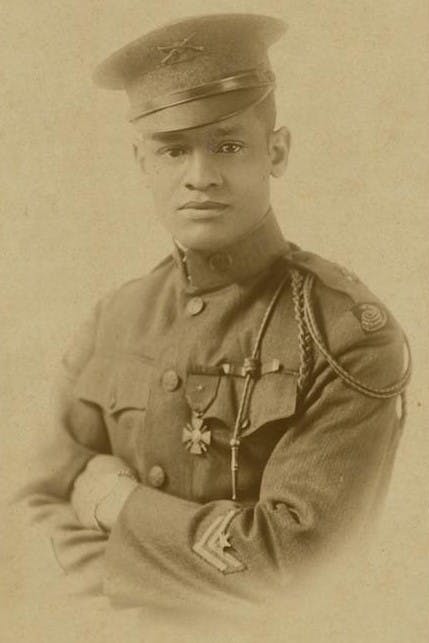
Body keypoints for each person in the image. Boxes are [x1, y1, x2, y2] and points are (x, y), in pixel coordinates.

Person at [26, 13, 411, 609]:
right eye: (173, 150)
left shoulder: (343, 334)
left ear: (275, 151)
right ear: (141, 162)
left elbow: (296, 568)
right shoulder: (115, 315)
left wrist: (114, 504)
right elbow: (31, 503)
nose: (200, 177)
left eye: (228, 145)